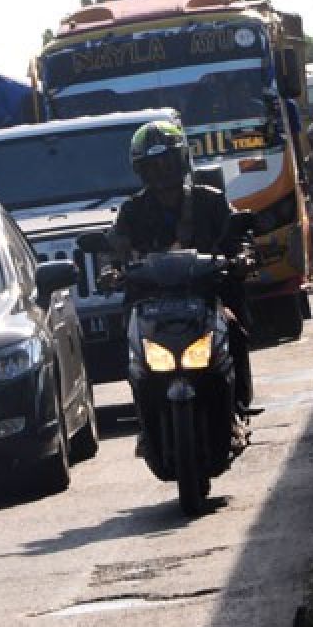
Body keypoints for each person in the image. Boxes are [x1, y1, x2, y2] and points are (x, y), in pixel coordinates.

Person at [107, 119, 253, 413]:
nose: (162, 172)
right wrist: (110, 272)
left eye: (168, 162)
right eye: (153, 165)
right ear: (141, 170)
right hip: (151, 303)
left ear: (182, 159)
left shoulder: (210, 201)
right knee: (131, 345)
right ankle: (145, 413)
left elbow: (237, 236)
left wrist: (242, 256)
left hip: (204, 295)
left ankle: (237, 403)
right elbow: (115, 250)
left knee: (233, 328)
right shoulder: (131, 211)